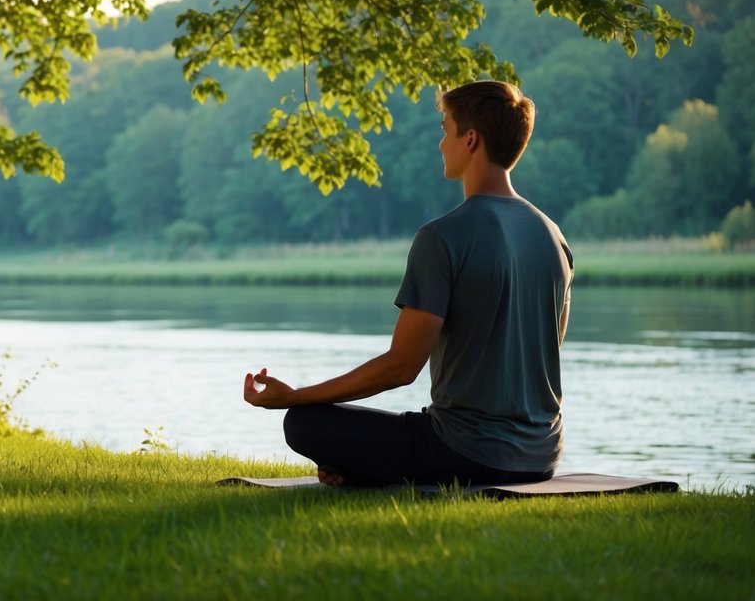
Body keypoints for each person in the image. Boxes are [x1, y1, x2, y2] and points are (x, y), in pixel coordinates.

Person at [243, 80, 573, 487]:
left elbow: (401, 368)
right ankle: (363, 469)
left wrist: (295, 396)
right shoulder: (554, 237)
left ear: (470, 139)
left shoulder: (442, 237)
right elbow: (547, 347)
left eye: (443, 127)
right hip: (542, 458)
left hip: (464, 453)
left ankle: (360, 470)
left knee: (305, 422)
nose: (439, 143)